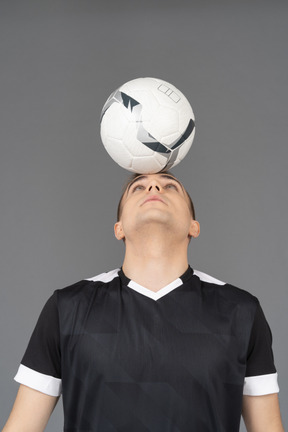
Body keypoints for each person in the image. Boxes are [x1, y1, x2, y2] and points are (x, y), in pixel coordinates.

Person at [3, 172, 284, 432]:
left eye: (170, 185)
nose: (153, 187)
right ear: (119, 228)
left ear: (194, 226)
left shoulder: (241, 312)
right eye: (138, 187)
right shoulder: (66, 308)